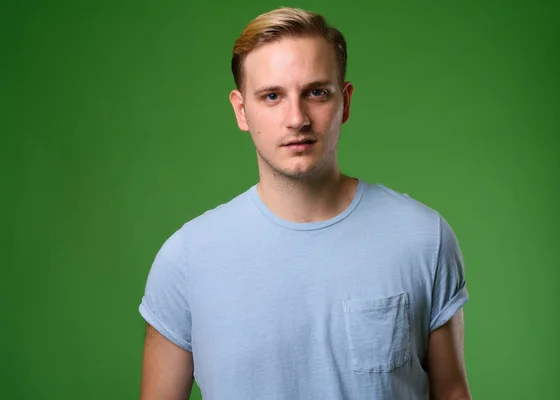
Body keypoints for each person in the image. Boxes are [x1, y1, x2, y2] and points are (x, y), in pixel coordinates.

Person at [138, 6, 471, 400]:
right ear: (241, 110)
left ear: (344, 102)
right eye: (272, 96)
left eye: (316, 92)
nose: (297, 118)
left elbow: (451, 391)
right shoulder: (186, 259)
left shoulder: (423, 239)